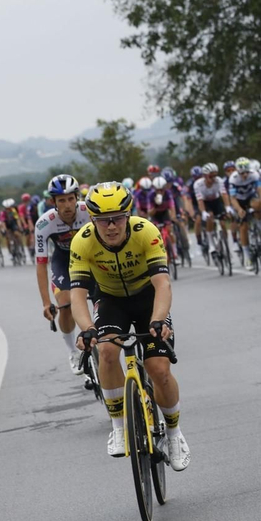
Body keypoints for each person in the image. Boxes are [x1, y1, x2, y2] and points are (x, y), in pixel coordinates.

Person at [68, 183, 189, 470]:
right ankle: (119, 427)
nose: (111, 226)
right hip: (110, 299)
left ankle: (174, 434)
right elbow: (77, 295)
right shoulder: (82, 242)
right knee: (107, 351)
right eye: (102, 220)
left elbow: (162, 283)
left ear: (128, 214)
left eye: (118, 218)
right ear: (92, 220)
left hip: (148, 299)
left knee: (159, 369)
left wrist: (159, 320)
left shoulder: (146, 231)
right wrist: (86, 329)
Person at [35, 175, 93, 374]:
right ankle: (72, 352)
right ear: (53, 202)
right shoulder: (44, 224)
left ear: (77, 197)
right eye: (61, 200)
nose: (67, 205)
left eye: (70, 199)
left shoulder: (89, 211)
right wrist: (45, 302)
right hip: (64, 262)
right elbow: (41, 265)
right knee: (66, 304)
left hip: (90, 258)